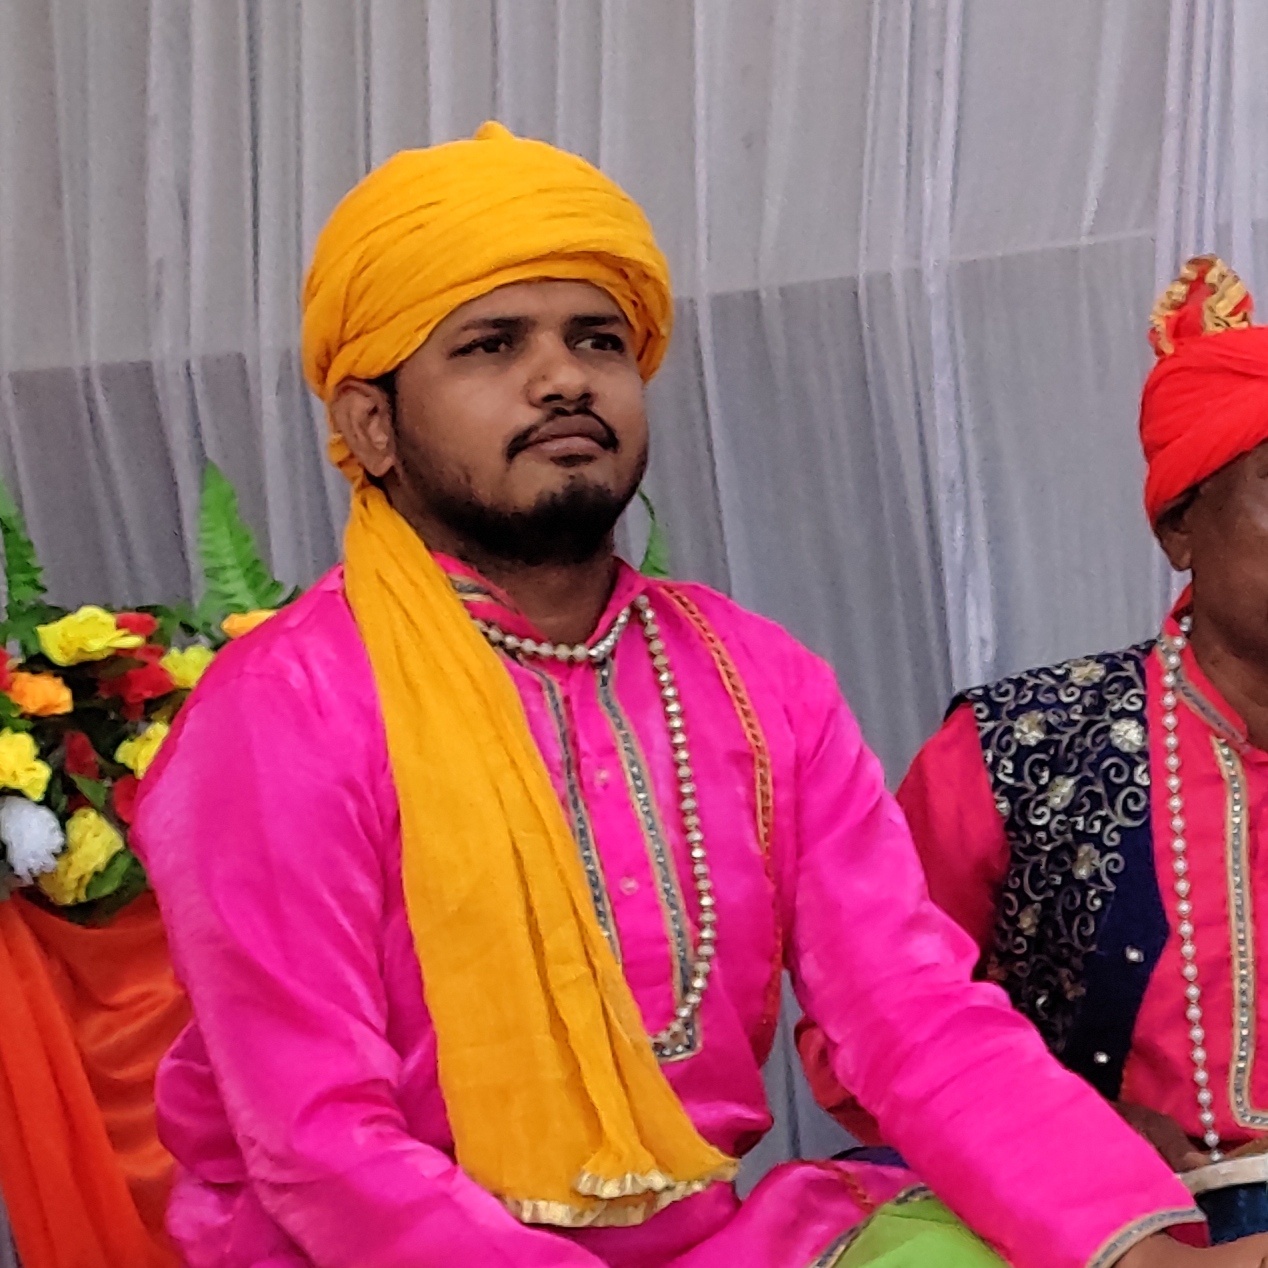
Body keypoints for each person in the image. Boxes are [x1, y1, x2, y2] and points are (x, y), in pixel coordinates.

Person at [132, 130, 1262, 1267]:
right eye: (491, 344)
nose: (563, 376)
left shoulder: (753, 678)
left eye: (597, 339)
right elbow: (319, 1143)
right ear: (372, 426)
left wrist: (1138, 1254)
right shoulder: (284, 712)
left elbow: (912, 1013)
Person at [798, 256, 1268, 1246]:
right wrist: (1063, 1125)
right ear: (1180, 527)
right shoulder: (1021, 747)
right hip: (1120, 1222)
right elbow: (856, 1033)